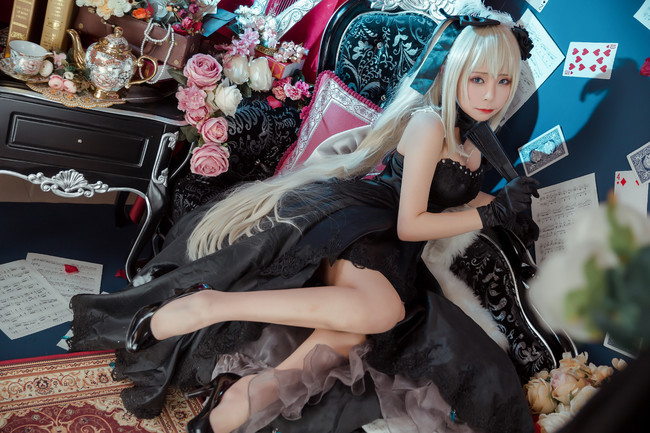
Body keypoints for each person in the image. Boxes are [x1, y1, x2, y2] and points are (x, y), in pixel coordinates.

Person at [69, 2, 539, 432]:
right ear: (454, 72)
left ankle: (244, 397)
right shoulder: (429, 124)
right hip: (368, 222)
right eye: (478, 79)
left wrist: (505, 210)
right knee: (384, 312)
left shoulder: (475, 139)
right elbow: (410, 222)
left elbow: (448, 194)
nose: (491, 94)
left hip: (401, 252)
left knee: (351, 335)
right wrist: (490, 214)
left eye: (503, 82)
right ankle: (210, 305)